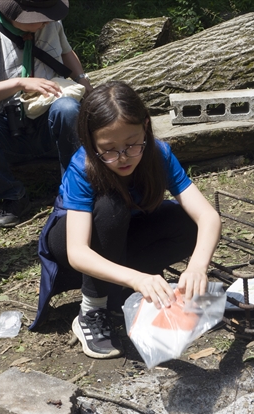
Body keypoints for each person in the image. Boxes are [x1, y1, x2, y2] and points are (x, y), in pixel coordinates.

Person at [30, 81, 222, 359]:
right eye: (108, 149)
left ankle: (119, 292)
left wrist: (197, 267)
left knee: (185, 223)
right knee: (111, 206)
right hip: (72, 245)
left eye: (132, 145)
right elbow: (77, 252)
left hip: (121, 240)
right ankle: (91, 310)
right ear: (90, 140)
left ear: (146, 126)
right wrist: (137, 278)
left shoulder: (158, 154)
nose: (122, 158)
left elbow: (207, 216)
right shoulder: (83, 166)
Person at [0, 0, 92, 230]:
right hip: (7, 128)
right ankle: (13, 195)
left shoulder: (51, 24)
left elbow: (67, 53)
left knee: (67, 108)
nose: (44, 21)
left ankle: (76, 191)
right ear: (13, 13)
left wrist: (83, 82)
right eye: (37, 17)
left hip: (50, 122)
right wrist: (19, 83)